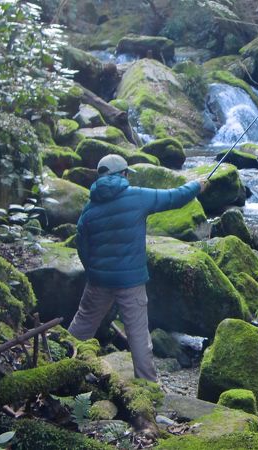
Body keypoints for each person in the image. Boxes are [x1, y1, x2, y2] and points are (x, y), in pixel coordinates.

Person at [68, 154, 209, 381]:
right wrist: (197, 186)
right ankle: (147, 385)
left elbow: (81, 246)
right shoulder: (137, 197)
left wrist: (94, 273)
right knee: (138, 336)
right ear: (122, 174)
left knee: (82, 325)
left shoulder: (89, 208)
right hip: (131, 282)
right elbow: (175, 197)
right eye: (126, 173)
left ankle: (63, 366)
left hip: (99, 282)